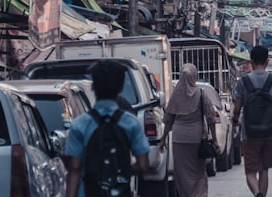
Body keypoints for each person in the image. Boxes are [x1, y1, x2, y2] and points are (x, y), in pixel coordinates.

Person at [64, 59, 150, 197]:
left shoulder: (80, 124)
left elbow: (74, 169)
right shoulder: (130, 122)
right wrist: (118, 171)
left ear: (93, 87)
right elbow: (143, 165)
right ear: (121, 88)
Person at [231, 45, 272, 197]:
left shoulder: (243, 82)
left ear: (251, 60)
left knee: (250, 171)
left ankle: (257, 193)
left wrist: (235, 121)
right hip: (270, 132)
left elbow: (237, 107)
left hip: (249, 133)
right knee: (264, 169)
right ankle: (262, 193)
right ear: (267, 61)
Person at [161, 63, 218, 197]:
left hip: (179, 140)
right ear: (194, 76)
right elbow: (210, 118)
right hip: (196, 138)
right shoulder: (201, 93)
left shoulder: (176, 95)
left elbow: (168, 119)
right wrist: (214, 139)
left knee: (182, 174)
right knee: (198, 172)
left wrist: (163, 139)